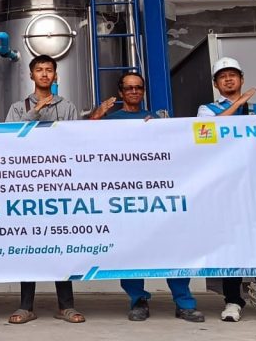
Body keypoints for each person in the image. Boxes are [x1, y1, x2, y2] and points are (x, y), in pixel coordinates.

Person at [88, 72, 205, 323]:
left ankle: (184, 302)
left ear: (143, 91)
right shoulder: (110, 120)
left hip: (157, 196)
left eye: (138, 88)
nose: (134, 91)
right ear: (120, 92)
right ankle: (138, 300)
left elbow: (176, 150)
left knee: (172, 247)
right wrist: (97, 116)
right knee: (130, 249)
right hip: (125, 197)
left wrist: (160, 130)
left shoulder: (159, 119)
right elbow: (83, 141)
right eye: (129, 88)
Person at [197, 56, 256, 324]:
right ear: (216, 84)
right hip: (226, 190)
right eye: (223, 76)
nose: (228, 79)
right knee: (232, 244)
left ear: (241, 79)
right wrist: (239, 104)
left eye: (233, 75)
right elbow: (207, 134)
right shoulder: (207, 110)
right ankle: (233, 300)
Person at [4, 54, 84, 324]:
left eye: (49, 70)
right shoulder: (18, 108)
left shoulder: (68, 106)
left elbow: (75, 141)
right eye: (39, 70)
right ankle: (25, 306)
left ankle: (66, 306)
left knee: (61, 244)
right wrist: (35, 111)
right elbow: (9, 141)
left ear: (56, 75)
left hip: (59, 185)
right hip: (27, 186)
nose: (45, 74)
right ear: (31, 75)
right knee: (29, 245)